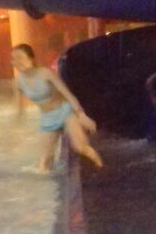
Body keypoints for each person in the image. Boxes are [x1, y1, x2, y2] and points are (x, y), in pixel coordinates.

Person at [11, 43, 103, 172]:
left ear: (31, 58)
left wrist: (82, 115)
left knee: (80, 147)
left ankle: (102, 167)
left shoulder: (45, 73)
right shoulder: (18, 82)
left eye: (20, 57)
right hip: (47, 119)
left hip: (65, 112)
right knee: (44, 164)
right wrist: (13, 131)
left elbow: (68, 95)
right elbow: (19, 110)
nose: (17, 62)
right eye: (14, 59)